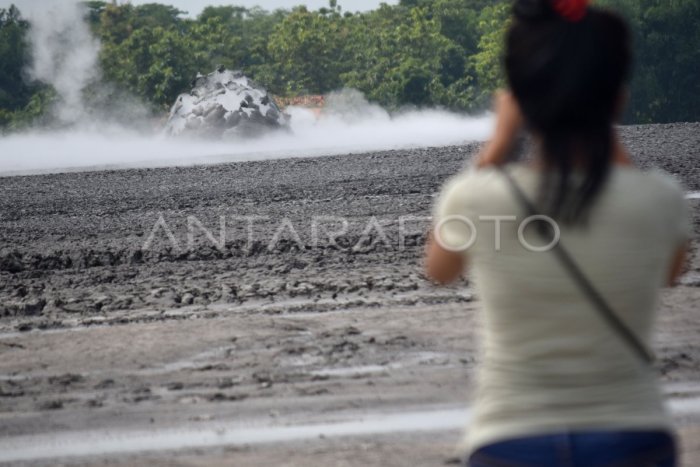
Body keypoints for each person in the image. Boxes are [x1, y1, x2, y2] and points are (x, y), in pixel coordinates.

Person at [425, 0, 690, 465]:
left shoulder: (473, 197)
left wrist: (497, 146)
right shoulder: (661, 200)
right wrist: (607, 127)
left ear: (517, 102)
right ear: (617, 98)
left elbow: (439, 269)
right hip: (632, 436)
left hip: (511, 437)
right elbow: (673, 271)